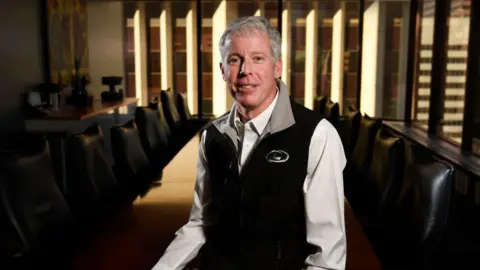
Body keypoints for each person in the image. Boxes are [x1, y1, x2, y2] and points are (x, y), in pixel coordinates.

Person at [152, 16, 346, 270]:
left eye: (258, 58)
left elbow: (327, 259)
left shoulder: (318, 136)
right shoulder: (212, 136)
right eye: (235, 60)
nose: (245, 71)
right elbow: (201, 223)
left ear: (277, 67)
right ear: (222, 70)